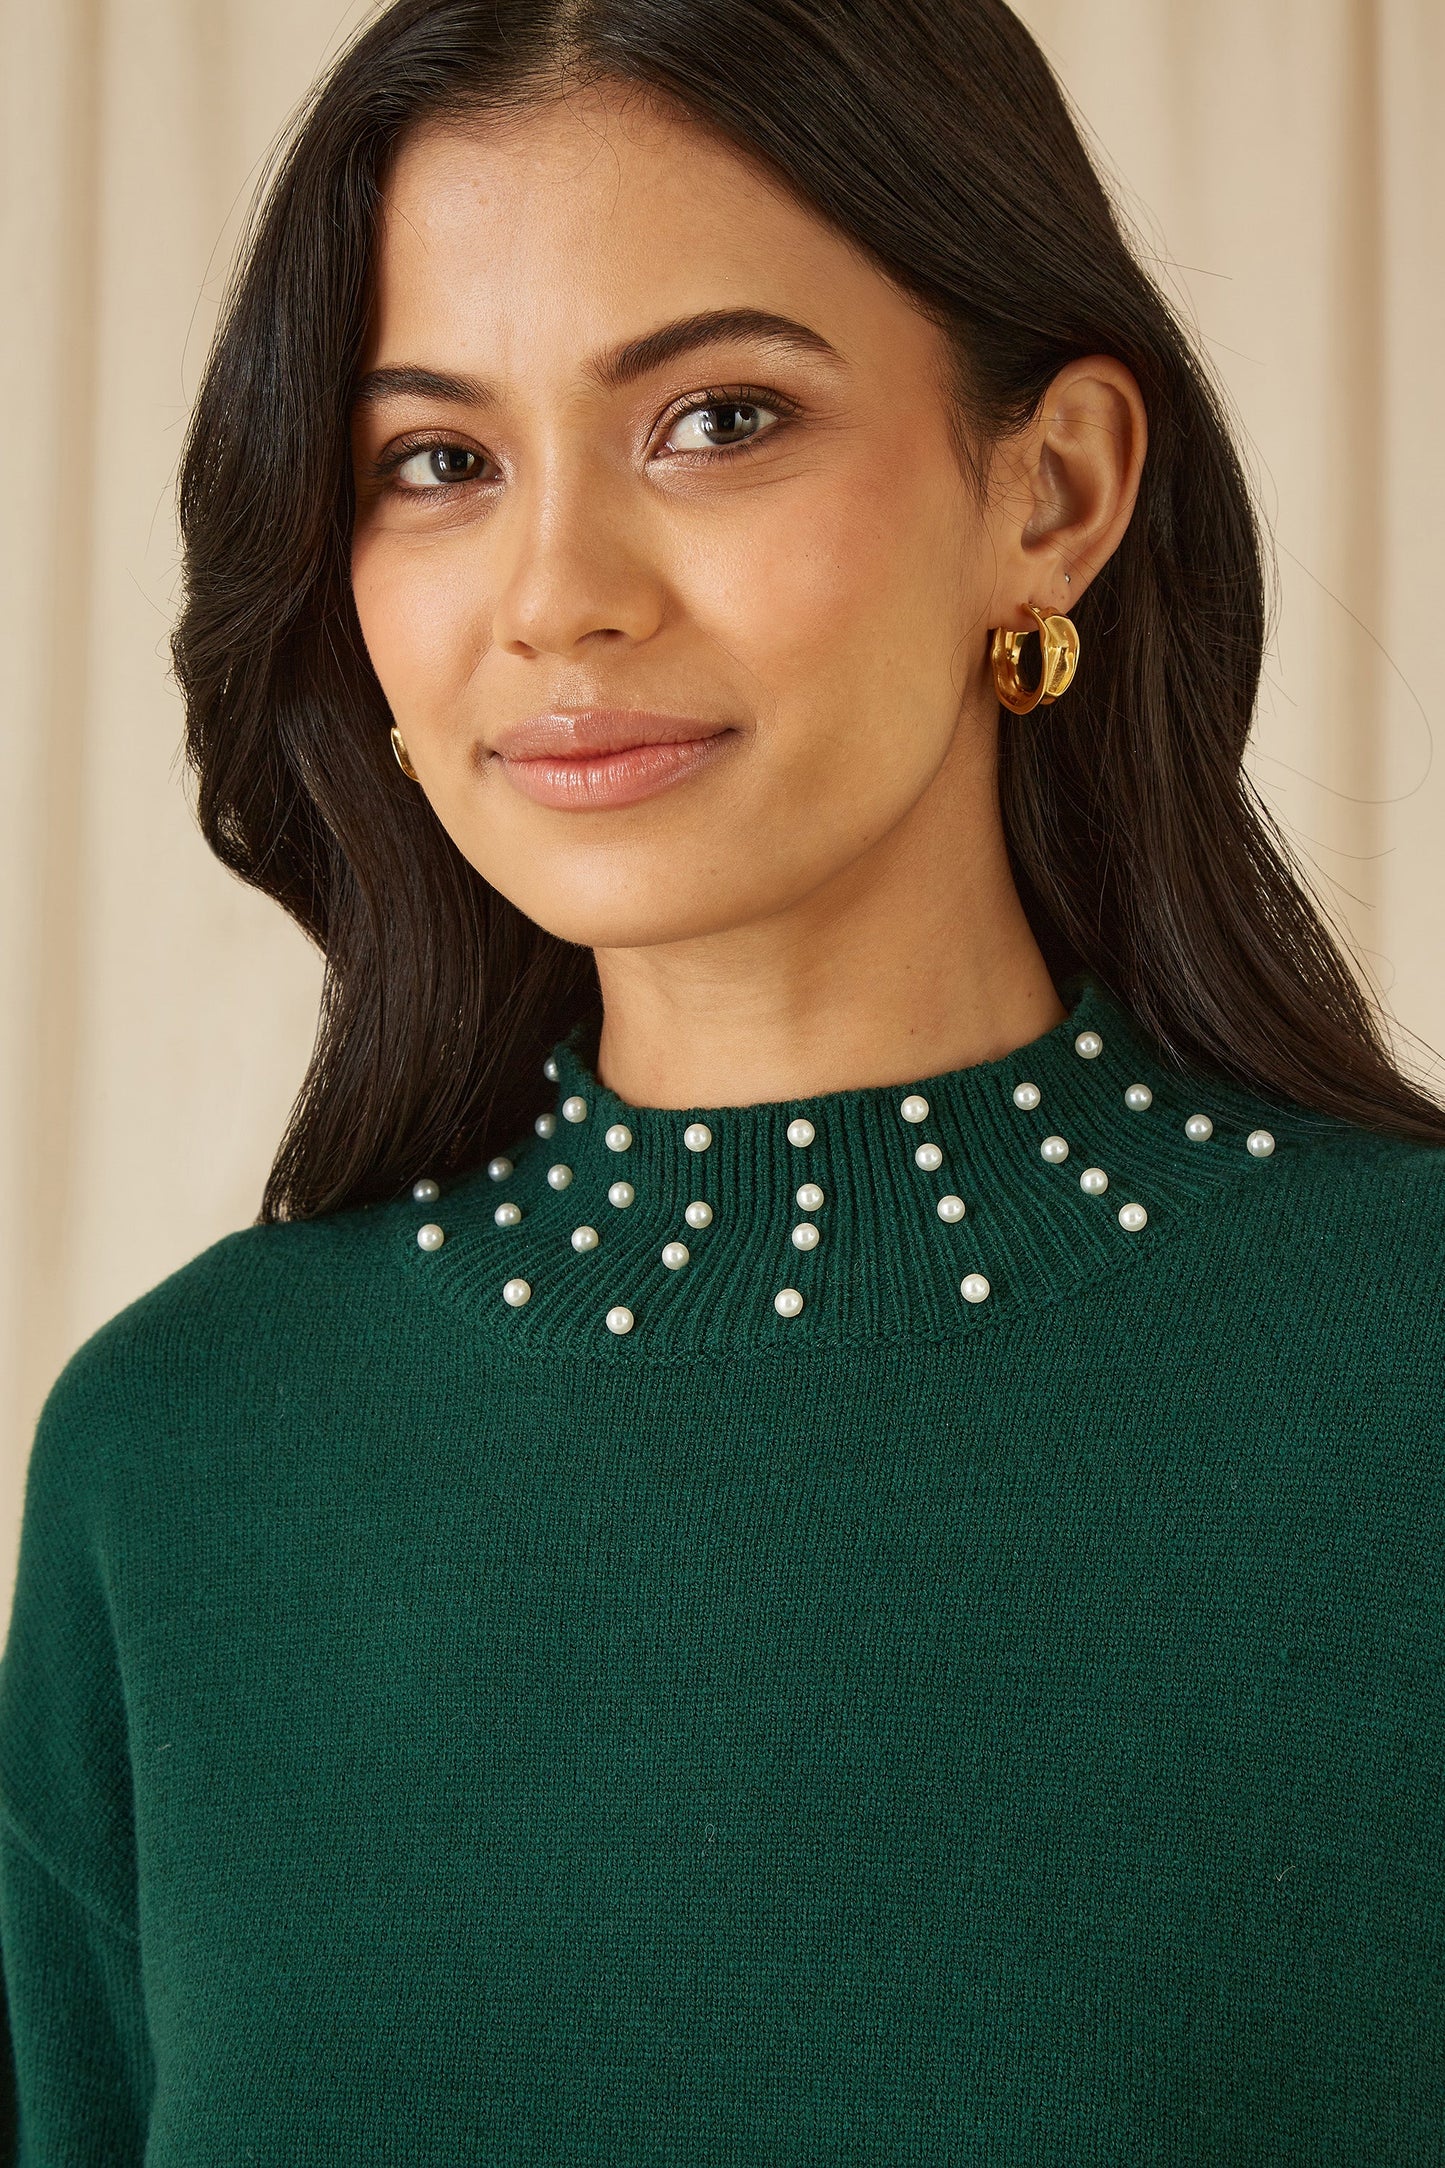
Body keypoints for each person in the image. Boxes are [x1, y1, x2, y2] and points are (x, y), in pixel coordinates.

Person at [2, 0, 1442, 2159]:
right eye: (438, 462)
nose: (559, 598)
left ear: (1050, 493)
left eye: (718, 417)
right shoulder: (178, 1470)